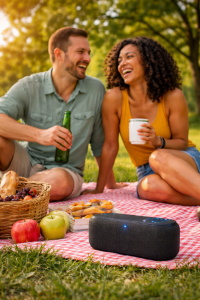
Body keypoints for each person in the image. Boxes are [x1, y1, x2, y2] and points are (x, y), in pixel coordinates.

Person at [0, 27, 123, 202]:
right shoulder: (30, 85)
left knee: (60, 182)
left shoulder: (96, 90)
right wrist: (39, 135)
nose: (87, 58)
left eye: (88, 53)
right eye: (80, 52)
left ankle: (8, 192)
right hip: (26, 162)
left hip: (65, 172)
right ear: (59, 54)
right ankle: (18, 193)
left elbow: (99, 144)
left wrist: (108, 185)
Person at [82, 36, 200, 206]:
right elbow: (109, 146)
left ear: (147, 61)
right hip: (146, 170)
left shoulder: (173, 96)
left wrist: (157, 141)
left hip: (184, 160)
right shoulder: (114, 98)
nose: (122, 64)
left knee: (157, 156)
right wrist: (100, 188)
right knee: (146, 188)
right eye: (119, 60)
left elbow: (182, 143)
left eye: (129, 57)